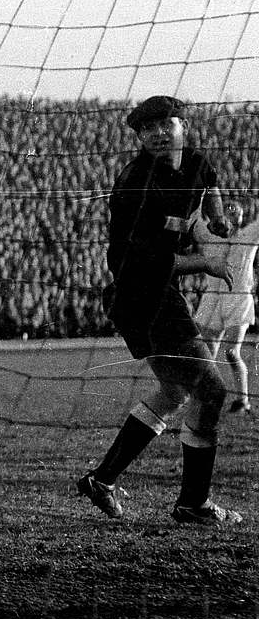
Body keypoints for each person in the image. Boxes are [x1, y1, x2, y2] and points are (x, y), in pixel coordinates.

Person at [77, 94, 242, 526]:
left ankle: (102, 479)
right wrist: (205, 261)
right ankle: (194, 504)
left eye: (164, 123)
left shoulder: (197, 162)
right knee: (212, 391)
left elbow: (210, 186)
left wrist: (220, 218)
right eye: (146, 128)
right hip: (142, 294)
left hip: (156, 295)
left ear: (182, 125)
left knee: (174, 393)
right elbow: (142, 262)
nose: (155, 133)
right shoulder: (135, 183)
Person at [192, 198, 259, 415]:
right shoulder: (209, 237)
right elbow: (195, 218)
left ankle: (242, 400)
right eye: (227, 212)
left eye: (235, 214)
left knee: (231, 351)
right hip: (212, 298)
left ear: (240, 219)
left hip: (238, 298)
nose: (231, 218)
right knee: (206, 354)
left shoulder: (248, 236)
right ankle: (205, 398)